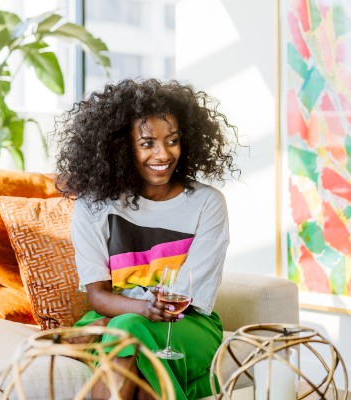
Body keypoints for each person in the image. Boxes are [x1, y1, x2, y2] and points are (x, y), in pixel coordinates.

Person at [54, 78, 240, 400]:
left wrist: (128, 314)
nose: (163, 154)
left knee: (124, 330)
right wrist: (141, 307)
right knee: (129, 337)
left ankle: (102, 331)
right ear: (123, 147)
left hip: (187, 326)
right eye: (147, 143)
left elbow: (184, 299)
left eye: (172, 140)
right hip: (117, 313)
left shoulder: (207, 204)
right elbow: (97, 295)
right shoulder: (94, 206)